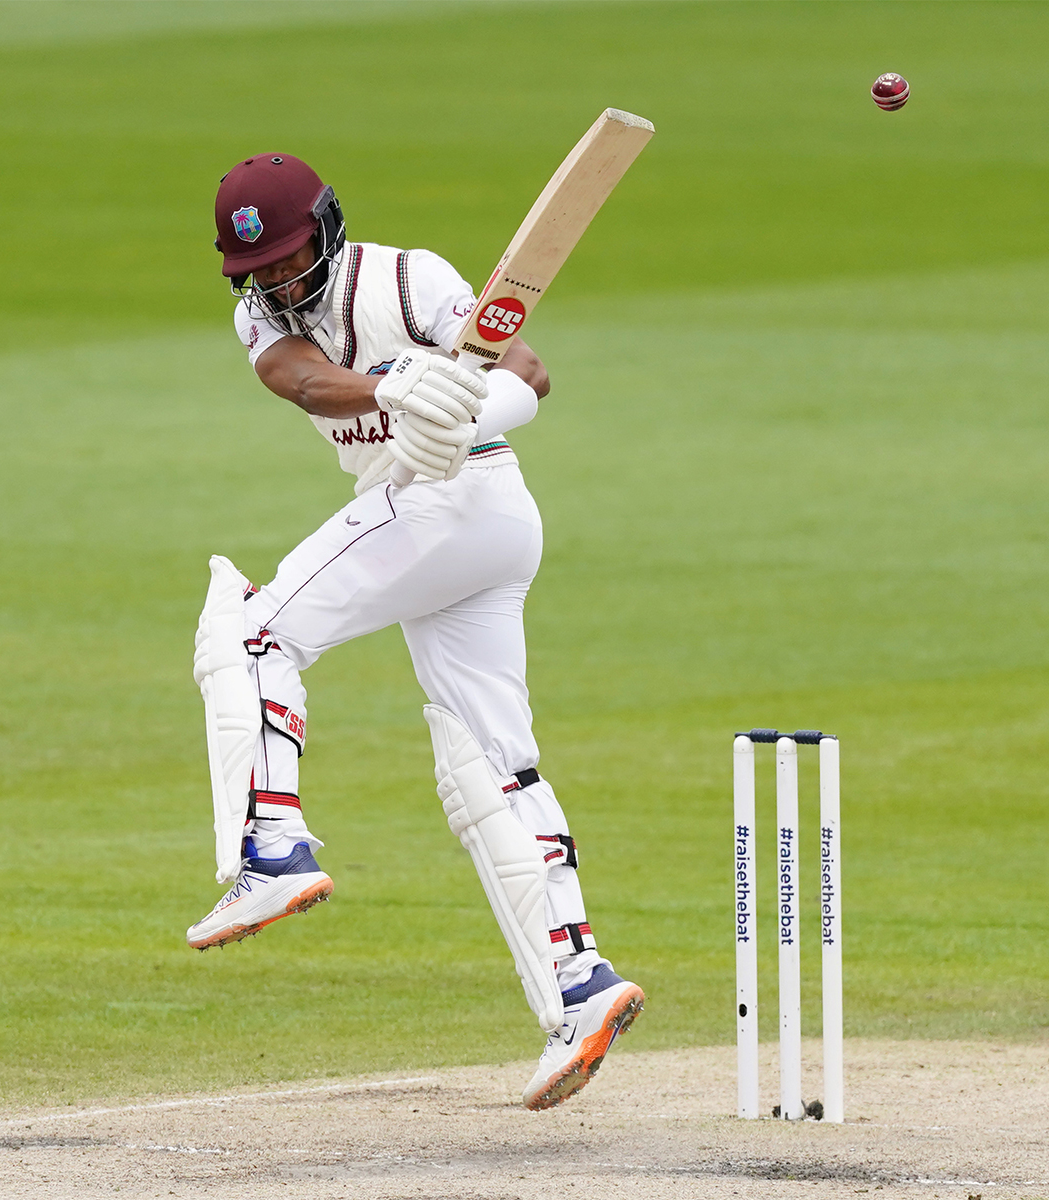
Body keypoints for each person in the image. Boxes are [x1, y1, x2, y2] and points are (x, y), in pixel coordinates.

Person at [187, 153, 643, 1110]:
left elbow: (529, 371)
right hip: (451, 530)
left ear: (327, 227)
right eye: (256, 269)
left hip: (459, 498)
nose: (275, 281)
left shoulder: (410, 276)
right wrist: (396, 396)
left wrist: (469, 414)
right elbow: (306, 384)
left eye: (286, 258)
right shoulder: (260, 320)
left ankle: (271, 849)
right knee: (489, 766)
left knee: (247, 632)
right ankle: (579, 986)